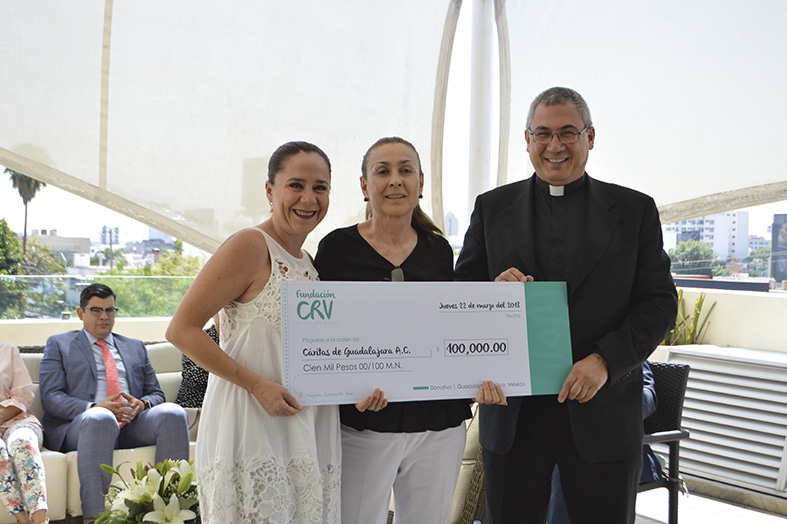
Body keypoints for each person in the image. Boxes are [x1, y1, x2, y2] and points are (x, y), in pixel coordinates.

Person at [454, 87, 678, 524]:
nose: (554, 146)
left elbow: (659, 303)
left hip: (602, 412)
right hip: (515, 417)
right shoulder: (492, 208)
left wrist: (604, 361)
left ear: (590, 137)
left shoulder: (634, 211)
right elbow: (460, 294)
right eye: (543, 134)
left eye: (567, 133)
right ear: (527, 140)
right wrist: (490, 292)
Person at [166, 141, 384, 523]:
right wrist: (256, 385)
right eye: (295, 185)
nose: (308, 198)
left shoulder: (310, 264)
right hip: (251, 424)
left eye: (320, 187)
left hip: (307, 427)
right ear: (270, 190)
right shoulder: (249, 245)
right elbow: (181, 330)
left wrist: (357, 389)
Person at [314, 136, 506, 524]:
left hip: (438, 424)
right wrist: (346, 389)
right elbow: (321, 334)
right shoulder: (336, 248)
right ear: (365, 185)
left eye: (405, 170)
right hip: (364, 422)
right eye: (382, 171)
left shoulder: (439, 250)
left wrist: (496, 301)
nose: (395, 180)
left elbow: (450, 327)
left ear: (420, 182)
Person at [39, 283, 189, 521]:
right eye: (96, 310)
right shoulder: (59, 344)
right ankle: (96, 517)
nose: (104, 316)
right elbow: (51, 397)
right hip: (84, 425)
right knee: (101, 417)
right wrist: (95, 408)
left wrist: (142, 404)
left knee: (174, 413)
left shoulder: (134, 347)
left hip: (132, 423)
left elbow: (156, 393)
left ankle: (169, 511)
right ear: (81, 313)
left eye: (110, 310)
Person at [547, 361, 662, 523]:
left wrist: (610, 410)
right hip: (552, 436)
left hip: (611, 448)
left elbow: (648, 396)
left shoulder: (629, 355)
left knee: (568, 460)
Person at [1, 342, 48, 524]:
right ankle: (24, 521)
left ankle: (41, 520)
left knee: (23, 442)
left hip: (17, 420)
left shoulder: (7, 350)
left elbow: (22, 396)